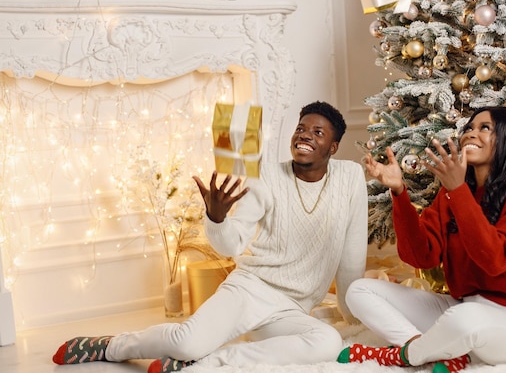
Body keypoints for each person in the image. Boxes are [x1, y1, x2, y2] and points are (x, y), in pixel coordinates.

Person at [51, 101, 368, 372]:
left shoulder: (350, 177)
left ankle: (217, 361)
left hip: (292, 309)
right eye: (301, 128)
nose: (304, 136)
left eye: (317, 132)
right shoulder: (267, 177)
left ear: (333, 146)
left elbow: (352, 254)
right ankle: (112, 346)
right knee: (186, 341)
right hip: (251, 289)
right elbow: (232, 245)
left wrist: (353, 316)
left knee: (327, 342)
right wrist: (217, 218)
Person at [338, 106, 506, 373]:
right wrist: (399, 192)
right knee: (359, 290)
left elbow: (496, 260)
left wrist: (458, 191)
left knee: (462, 321)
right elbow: (420, 256)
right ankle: (431, 350)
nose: (471, 133)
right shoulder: (453, 192)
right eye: (469, 128)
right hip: (460, 306)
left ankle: (406, 355)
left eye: (485, 128)